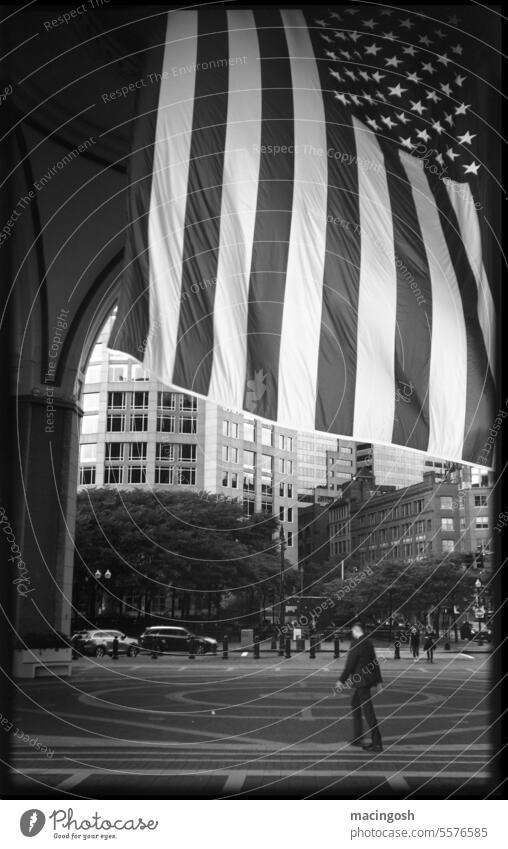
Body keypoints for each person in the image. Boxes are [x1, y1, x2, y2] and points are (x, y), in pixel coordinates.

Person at [334, 621, 383, 752]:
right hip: (367, 680)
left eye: (352, 631)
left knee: (368, 712)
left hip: (361, 681)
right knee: (355, 704)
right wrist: (378, 682)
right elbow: (375, 663)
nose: (352, 633)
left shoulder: (356, 644)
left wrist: (341, 680)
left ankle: (376, 742)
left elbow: (350, 664)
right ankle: (358, 737)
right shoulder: (368, 643)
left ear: (356, 630)